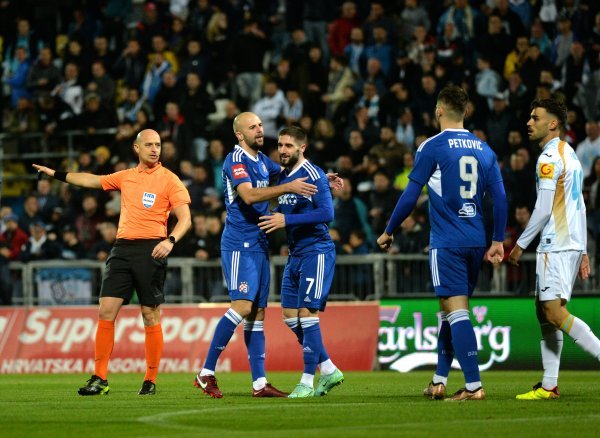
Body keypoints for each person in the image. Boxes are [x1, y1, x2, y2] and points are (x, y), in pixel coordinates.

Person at [33, 129, 192, 397]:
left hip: (151, 248)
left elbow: (185, 217)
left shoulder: (170, 180)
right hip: (122, 249)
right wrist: (56, 174)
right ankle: (100, 378)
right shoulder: (126, 177)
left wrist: (171, 240)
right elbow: (92, 180)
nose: (155, 149)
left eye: (158, 145)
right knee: (106, 311)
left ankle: (150, 380)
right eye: (149, 145)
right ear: (136, 148)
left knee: (149, 314)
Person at [376, 85, 508, 401]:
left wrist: (389, 229)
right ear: (465, 113)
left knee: (455, 309)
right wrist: (498, 240)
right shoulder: (483, 149)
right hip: (477, 241)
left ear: (438, 110)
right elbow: (500, 198)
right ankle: (439, 379)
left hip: (447, 242)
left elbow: (411, 194)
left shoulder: (431, 147)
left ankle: (474, 386)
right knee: (450, 310)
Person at [193, 112, 320, 399]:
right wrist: (287, 187)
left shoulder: (263, 162)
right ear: (239, 134)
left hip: (260, 244)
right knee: (241, 306)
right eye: (253, 127)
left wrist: (322, 178)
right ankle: (206, 373)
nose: (260, 130)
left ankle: (260, 383)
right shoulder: (235, 160)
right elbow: (249, 196)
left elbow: (293, 172)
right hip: (239, 244)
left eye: (261, 125)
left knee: (258, 313)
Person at [508, 99, 600, 400]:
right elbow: (580, 203)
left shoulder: (548, 158)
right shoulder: (570, 153)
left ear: (552, 124)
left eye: (535, 118)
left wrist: (520, 244)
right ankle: (549, 385)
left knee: (554, 311)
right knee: (543, 310)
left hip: (556, 243)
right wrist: (584, 249)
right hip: (571, 241)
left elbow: (545, 207)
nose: (528, 123)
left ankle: (551, 384)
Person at [257, 126, 344, 398]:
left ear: (302, 148)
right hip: (295, 255)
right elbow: (288, 203)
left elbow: (327, 213)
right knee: (289, 317)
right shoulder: (284, 176)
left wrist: (286, 219)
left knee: (307, 315)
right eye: (281, 145)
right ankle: (328, 368)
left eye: (288, 146)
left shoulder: (314, 175)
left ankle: (307, 382)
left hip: (316, 252)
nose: (282, 150)